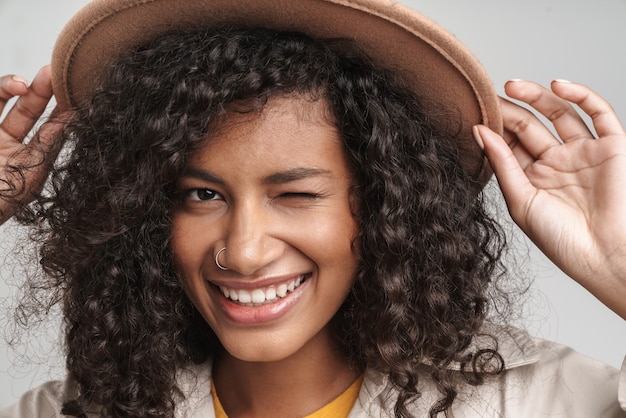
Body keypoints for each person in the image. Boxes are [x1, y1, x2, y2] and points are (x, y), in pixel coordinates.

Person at [0, 0, 625, 417]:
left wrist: (622, 268)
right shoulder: (69, 410)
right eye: (202, 195)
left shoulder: (545, 401)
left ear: (384, 205)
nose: (242, 251)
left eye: (296, 195)